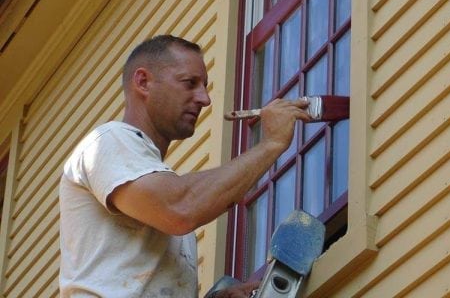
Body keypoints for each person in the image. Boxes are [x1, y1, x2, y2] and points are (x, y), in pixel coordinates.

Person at [59, 35, 310, 297]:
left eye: (204, 86)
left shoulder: (155, 185)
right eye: (189, 83)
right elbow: (179, 209)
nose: (204, 99)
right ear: (143, 82)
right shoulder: (108, 142)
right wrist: (270, 144)